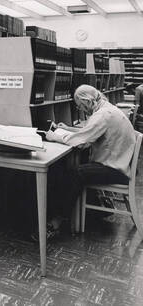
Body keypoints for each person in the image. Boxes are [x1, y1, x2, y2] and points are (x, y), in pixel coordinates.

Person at [42, 84, 136, 238]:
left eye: (81, 106)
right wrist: (69, 129)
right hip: (120, 163)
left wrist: (55, 137)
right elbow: (89, 132)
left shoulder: (102, 115)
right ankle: (94, 205)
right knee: (79, 167)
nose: (81, 110)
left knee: (75, 173)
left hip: (116, 169)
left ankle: (57, 221)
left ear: (87, 101)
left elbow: (82, 142)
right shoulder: (106, 109)